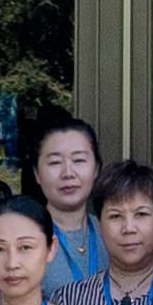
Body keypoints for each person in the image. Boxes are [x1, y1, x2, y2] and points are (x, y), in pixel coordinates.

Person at [49, 160, 153, 305]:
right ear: (99, 224)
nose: (129, 228)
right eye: (115, 216)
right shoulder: (68, 301)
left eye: (141, 214)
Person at [21, 114, 109, 293]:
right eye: (55, 162)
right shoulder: (21, 240)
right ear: (37, 173)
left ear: (96, 169)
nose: (68, 173)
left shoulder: (111, 232)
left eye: (79, 160)